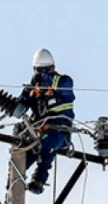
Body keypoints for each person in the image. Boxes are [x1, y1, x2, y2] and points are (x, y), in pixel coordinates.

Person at [11, 48, 75, 195]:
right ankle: (11, 193)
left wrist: (47, 78)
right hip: (36, 134)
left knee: (47, 144)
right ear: (34, 70)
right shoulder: (33, 89)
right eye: (40, 71)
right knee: (19, 158)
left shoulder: (63, 82)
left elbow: (65, 87)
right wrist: (17, 103)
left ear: (53, 68)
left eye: (47, 70)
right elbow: (22, 104)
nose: (43, 74)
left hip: (59, 132)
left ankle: (38, 180)